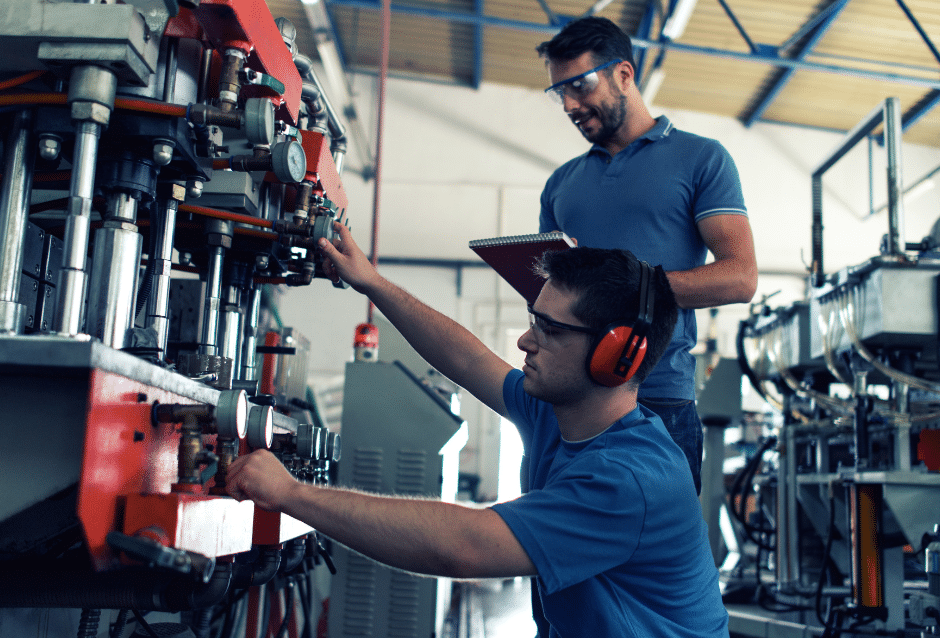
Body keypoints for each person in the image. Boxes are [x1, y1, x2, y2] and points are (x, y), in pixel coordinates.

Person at [226, 221, 728, 638]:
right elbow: (465, 357)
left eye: (550, 330)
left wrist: (290, 493)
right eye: (535, 320)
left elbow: (463, 544)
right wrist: (372, 283)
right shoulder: (557, 411)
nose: (527, 341)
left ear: (616, 357)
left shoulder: (632, 478)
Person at [537, 16, 758, 494]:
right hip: (567, 403)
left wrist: (627, 291)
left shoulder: (702, 159)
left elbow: (740, 278)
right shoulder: (560, 185)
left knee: (657, 564)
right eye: (560, 93)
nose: (571, 105)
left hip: (657, 402)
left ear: (624, 74)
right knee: (559, 562)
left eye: (580, 85)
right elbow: (544, 289)